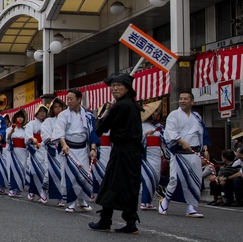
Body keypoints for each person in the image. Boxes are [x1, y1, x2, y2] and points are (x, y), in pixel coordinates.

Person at [88, 73, 145, 233]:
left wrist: (106, 112)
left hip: (121, 150)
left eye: (119, 85)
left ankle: (106, 220)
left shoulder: (120, 106)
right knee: (129, 185)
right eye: (113, 86)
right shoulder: (133, 105)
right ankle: (131, 222)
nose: (115, 89)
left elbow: (101, 128)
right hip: (133, 152)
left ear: (127, 88)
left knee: (111, 184)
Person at [159, 91, 211, 217]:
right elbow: (170, 131)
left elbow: (202, 133)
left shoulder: (197, 116)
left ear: (192, 101)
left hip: (194, 152)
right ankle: (165, 201)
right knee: (175, 179)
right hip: (179, 152)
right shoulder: (174, 115)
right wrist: (181, 141)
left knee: (195, 179)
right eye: (181, 98)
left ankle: (191, 207)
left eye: (185, 99)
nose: (182, 101)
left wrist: (205, 149)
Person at [52, 89, 98, 213]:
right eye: (68, 99)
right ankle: (71, 202)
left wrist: (93, 148)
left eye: (71, 99)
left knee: (84, 176)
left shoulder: (88, 116)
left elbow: (93, 133)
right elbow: (59, 131)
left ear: (79, 100)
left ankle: (82, 200)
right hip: (69, 149)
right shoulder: (63, 115)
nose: (69, 102)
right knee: (69, 176)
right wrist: (64, 144)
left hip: (83, 149)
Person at [139, 100, 165, 210]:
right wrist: (145, 135)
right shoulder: (141, 125)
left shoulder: (158, 126)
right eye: (153, 112)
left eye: (156, 112)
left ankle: (149, 202)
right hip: (146, 154)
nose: (155, 114)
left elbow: (165, 138)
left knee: (156, 177)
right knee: (147, 177)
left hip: (156, 154)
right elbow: (137, 140)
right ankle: (144, 202)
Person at [24, 105, 49, 203]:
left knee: (45, 171)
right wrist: (32, 138)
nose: (42, 113)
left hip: (45, 149)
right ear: (36, 113)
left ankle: (42, 191)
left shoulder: (47, 123)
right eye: (40, 111)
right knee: (34, 172)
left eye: (44, 112)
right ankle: (32, 190)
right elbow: (28, 134)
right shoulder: (32, 123)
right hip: (35, 149)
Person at [5, 109, 29, 197]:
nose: (20, 119)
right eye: (18, 117)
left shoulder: (25, 130)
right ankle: (12, 189)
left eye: (21, 117)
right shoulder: (9, 129)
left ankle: (19, 189)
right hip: (13, 152)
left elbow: (27, 140)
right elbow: (7, 139)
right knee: (12, 169)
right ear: (15, 118)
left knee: (22, 170)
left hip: (22, 152)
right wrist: (11, 132)